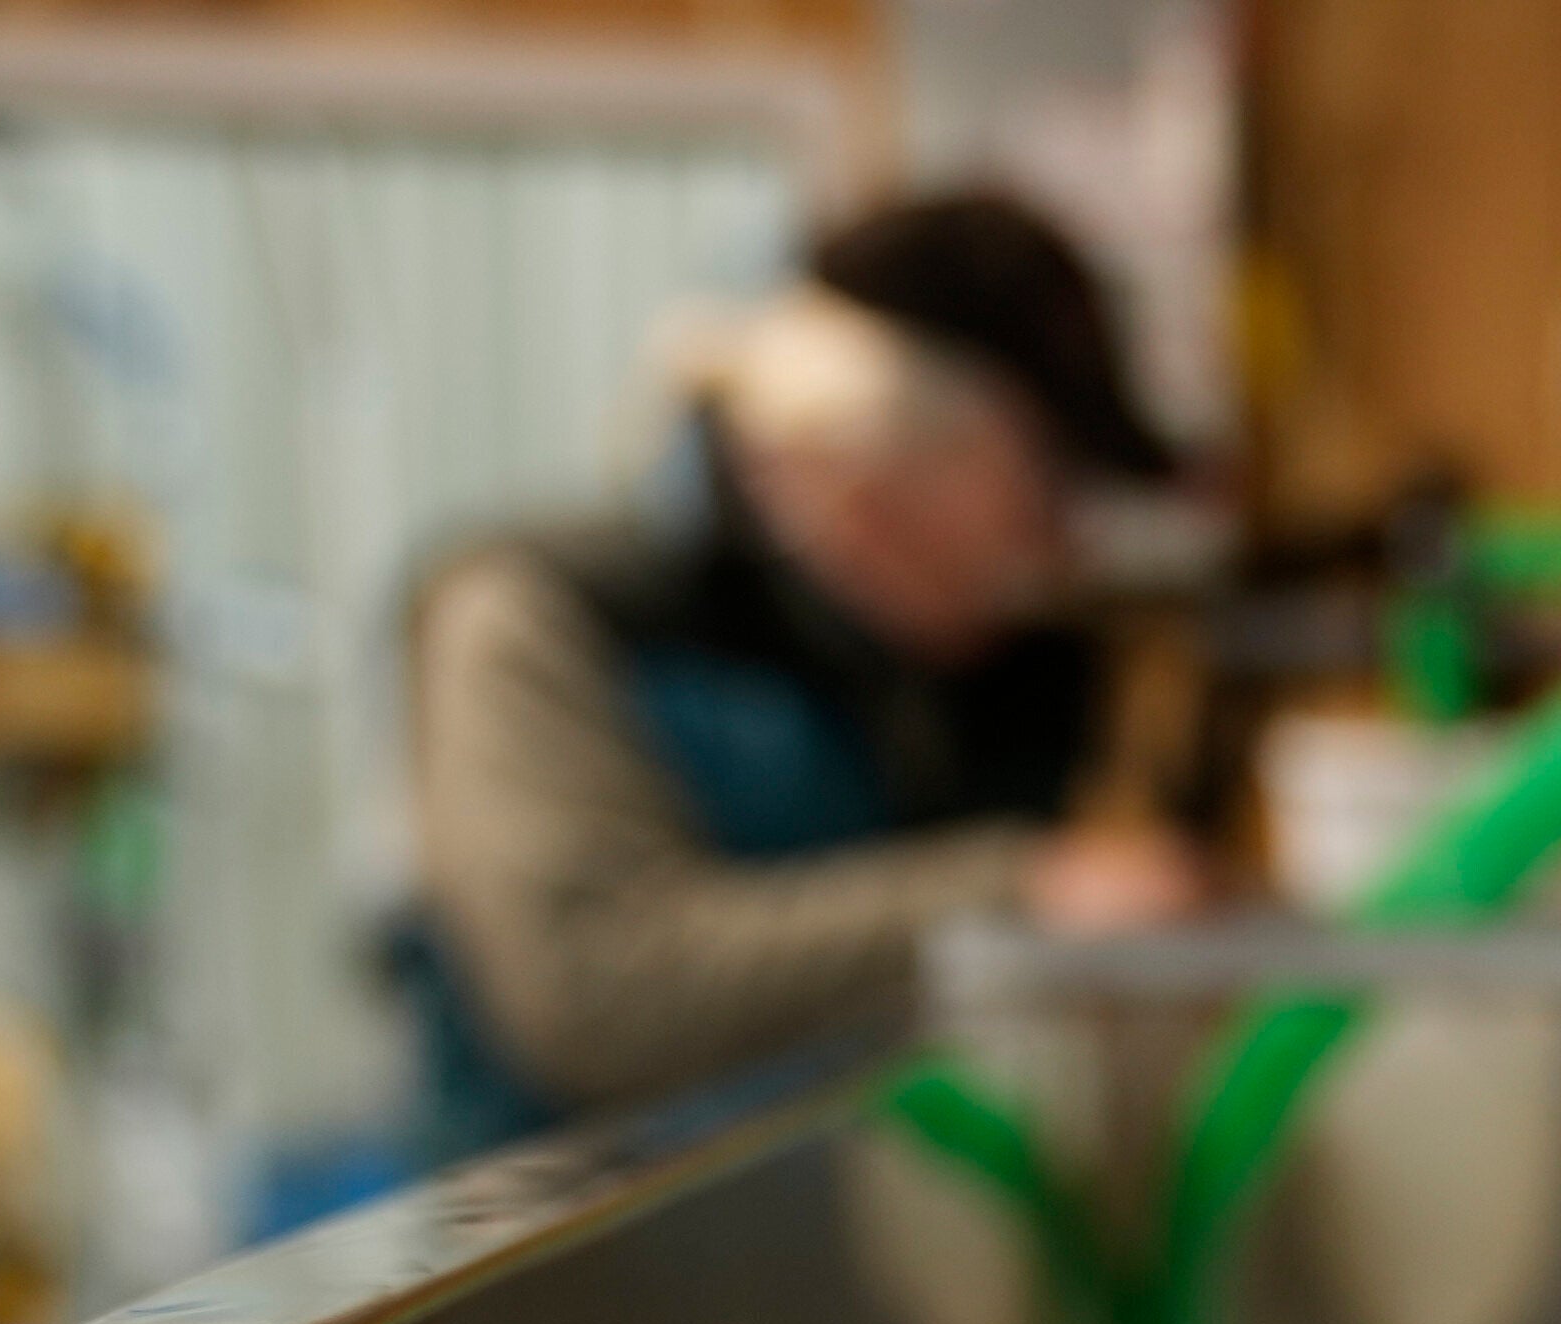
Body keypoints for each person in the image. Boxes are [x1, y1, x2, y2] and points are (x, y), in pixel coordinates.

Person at [405, 191, 1204, 1147]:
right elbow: (597, 989)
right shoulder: (533, 621)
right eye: (1044, 486)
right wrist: (1016, 893)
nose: (1061, 545)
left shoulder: (959, 665)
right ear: (877, 461)